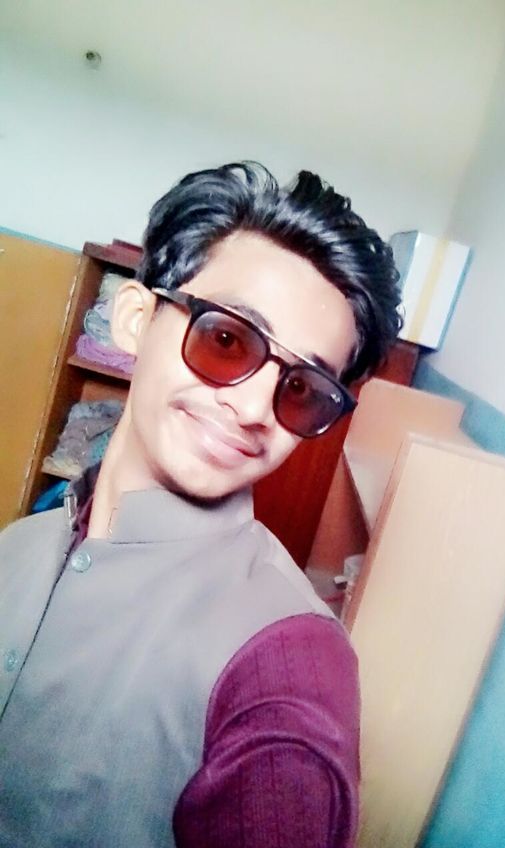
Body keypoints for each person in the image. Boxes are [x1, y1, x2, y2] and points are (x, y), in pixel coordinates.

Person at [0, 162, 402, 847]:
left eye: (301, 389)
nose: (253, 409)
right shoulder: (21, 545)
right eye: (227, 339)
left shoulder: (287, 666)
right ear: (135, 320)